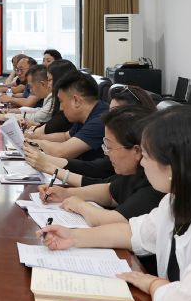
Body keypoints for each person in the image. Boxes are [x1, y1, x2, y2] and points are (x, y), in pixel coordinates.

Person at [39, 106, 191, 301]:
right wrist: (73, 237)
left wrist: (152, 283)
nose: (142, 163)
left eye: (146, 156)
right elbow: (133, 232)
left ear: (173, 165)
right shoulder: (177, 200)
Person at [35, 106, 164, 226]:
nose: (106, 153)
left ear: (136, 151)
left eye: (109, 147)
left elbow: (115, 221)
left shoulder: (155, 184)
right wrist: (66, 193)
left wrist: (80, 205)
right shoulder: (133, 172)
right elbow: (109, 193)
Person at [26, 81, 158, 180]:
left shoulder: (147, 171)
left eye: (115, 113)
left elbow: (100, 176)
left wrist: (45, 160)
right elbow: (106, 184)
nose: (109, 118)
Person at [26, 71, 108, 161]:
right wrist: (34, 137)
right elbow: (65, 137)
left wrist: (32, 142)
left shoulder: (101, 121)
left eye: (61, 101)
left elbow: (60, 152)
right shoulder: (87, 114)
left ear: (76, 101)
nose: (61, 108)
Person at [26, 59, 78, 137]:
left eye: (49, 80)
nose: (48, 84)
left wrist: (35, 131)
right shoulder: (57, 98)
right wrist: (38, 126)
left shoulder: (69, 105)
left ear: (60, 80)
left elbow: (57, 127)